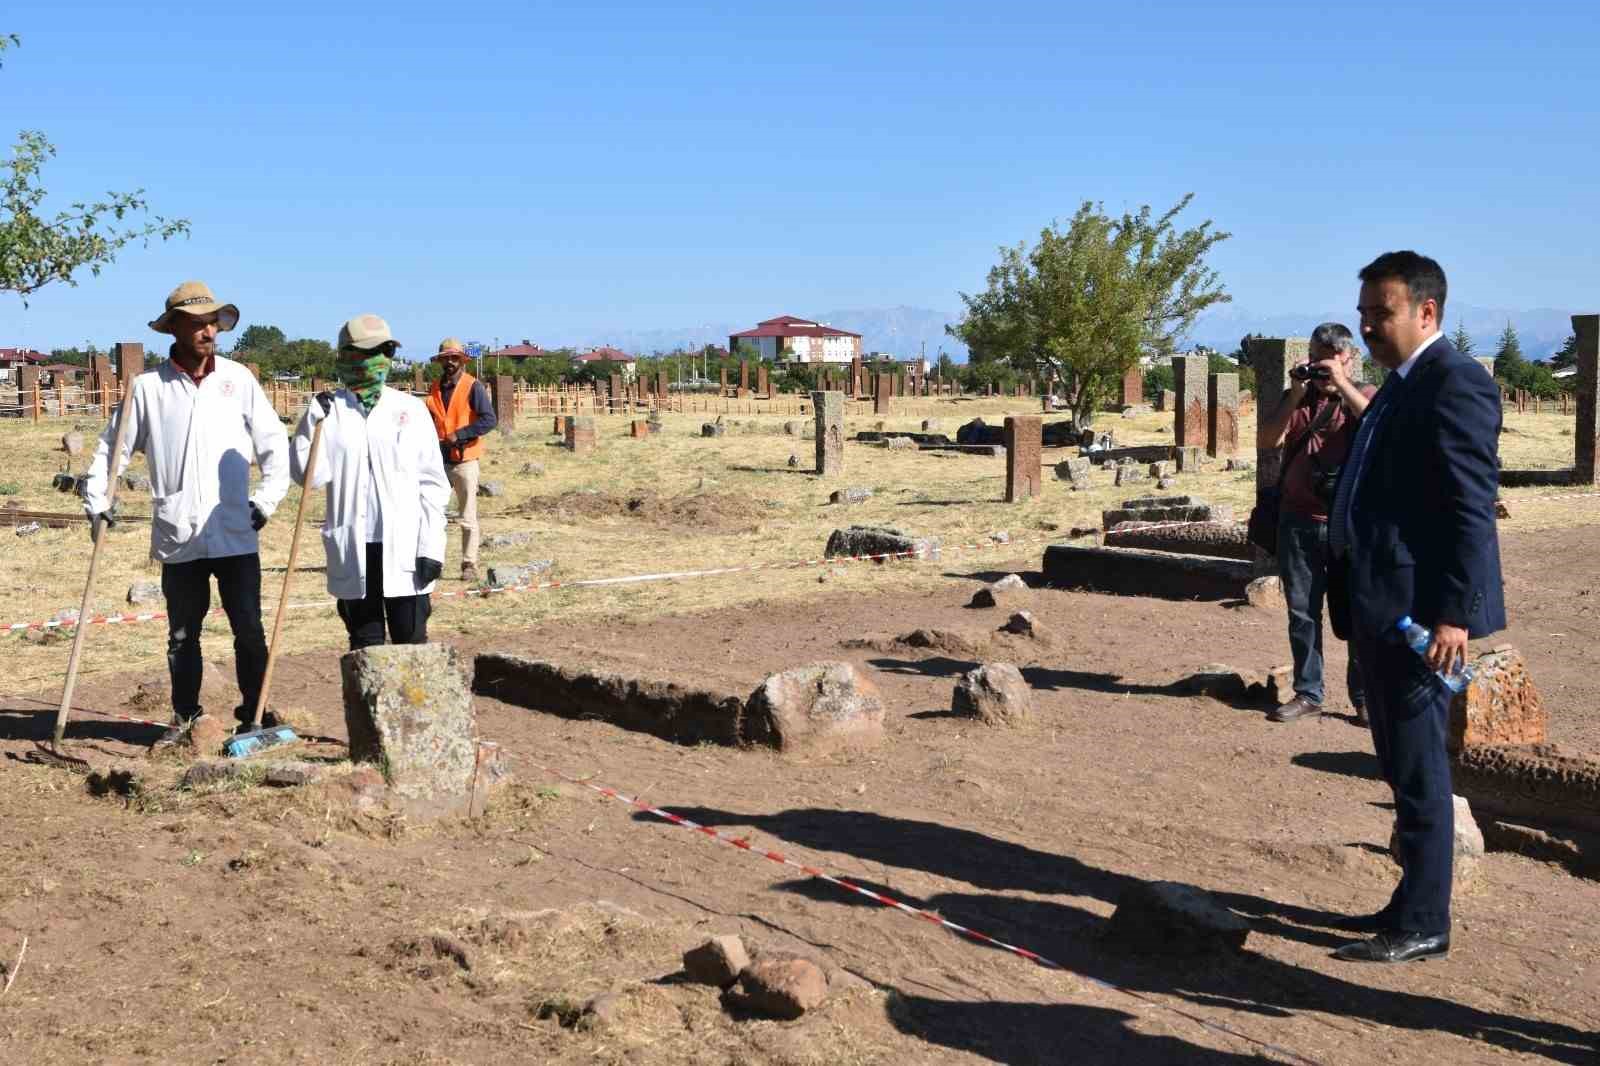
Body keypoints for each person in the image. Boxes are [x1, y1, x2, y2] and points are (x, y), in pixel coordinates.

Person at [1327, 251, 1504, 964]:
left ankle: (1427, 921)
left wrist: (1452, 617)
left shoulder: (1454, 383)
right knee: (1400, 762)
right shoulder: (1401, 385)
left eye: (1383, 312)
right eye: (1364, 311)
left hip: (1420, 615)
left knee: (1421, 762)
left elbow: (1469, 510)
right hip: (1378, 602)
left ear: (1426, 312)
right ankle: (1411, 897)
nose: (1368, 325)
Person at [81, 281, 289, 742]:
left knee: (250, 631)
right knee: (181, 635)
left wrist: (267, 499)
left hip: (235, 528)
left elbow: (275, 445)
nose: (207, 331)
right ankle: (186, 717)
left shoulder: (238, 380)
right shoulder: (148, 389)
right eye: (196, 323)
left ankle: (255, 714)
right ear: (173, 328)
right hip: (179, 532)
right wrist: (99, 500)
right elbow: (110, 453)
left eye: (213, 322)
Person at [291, 315, 449, 650]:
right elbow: (310, 478)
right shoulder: (329, 411)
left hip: (407, 547)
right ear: (347, 356)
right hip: (355, 546)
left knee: (412, 644)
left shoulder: (410, 409)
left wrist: (432, 546)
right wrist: (310, 425)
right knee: (365, 646)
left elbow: (433, 485)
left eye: (385, 351)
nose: (378, 360)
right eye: (368, 352)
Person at [1256, 323, 1376, 725]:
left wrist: (1342, 384)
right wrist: (1293, 393)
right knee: (1302, 612)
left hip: (1350, 525)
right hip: (1298, 520)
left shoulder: (1366, 396)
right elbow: (1266, 440)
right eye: (1314, 357)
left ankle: (1364, 697)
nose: (1318, 367)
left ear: (1347, 357)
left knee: (1358, 613)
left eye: (1327, 358)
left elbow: (1379, 429)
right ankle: (1309, 693)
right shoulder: (1300, 400)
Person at [423, 338, 496, 582]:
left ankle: (469, 564)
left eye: (454, 358)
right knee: (433, 516)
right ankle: (433, 563)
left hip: (465, 461)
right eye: (446, 359)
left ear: (462, 361)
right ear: (441, 361)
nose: (450, 362)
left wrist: (461, 434)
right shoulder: (433, 389)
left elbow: (489, 420)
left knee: (467, 516)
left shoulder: (472, 386)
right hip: (438, 462)